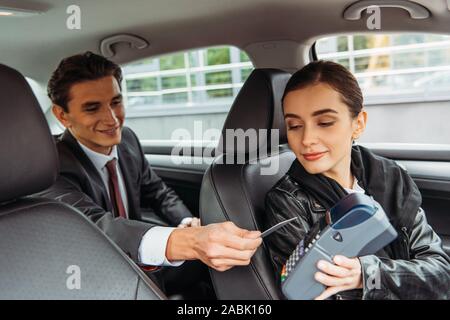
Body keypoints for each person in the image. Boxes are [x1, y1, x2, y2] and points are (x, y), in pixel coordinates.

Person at [40, 52, 262, 278]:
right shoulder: (50, 165)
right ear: (62, 115)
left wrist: (187, 223)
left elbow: (156, 192)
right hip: (89, 270)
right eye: (92, 108)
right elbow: (95, 225)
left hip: (138, 259)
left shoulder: (127, 139)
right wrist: (191, 242)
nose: (112, 119)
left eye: (116, 102)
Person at [263, 60, 450, 300]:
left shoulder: (391, 178)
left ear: (358, 124)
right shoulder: (287, 203)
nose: (307, 138)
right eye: (295, 125)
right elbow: (310, 293)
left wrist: (368, 274)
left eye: (325, 122)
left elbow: (441, 274)